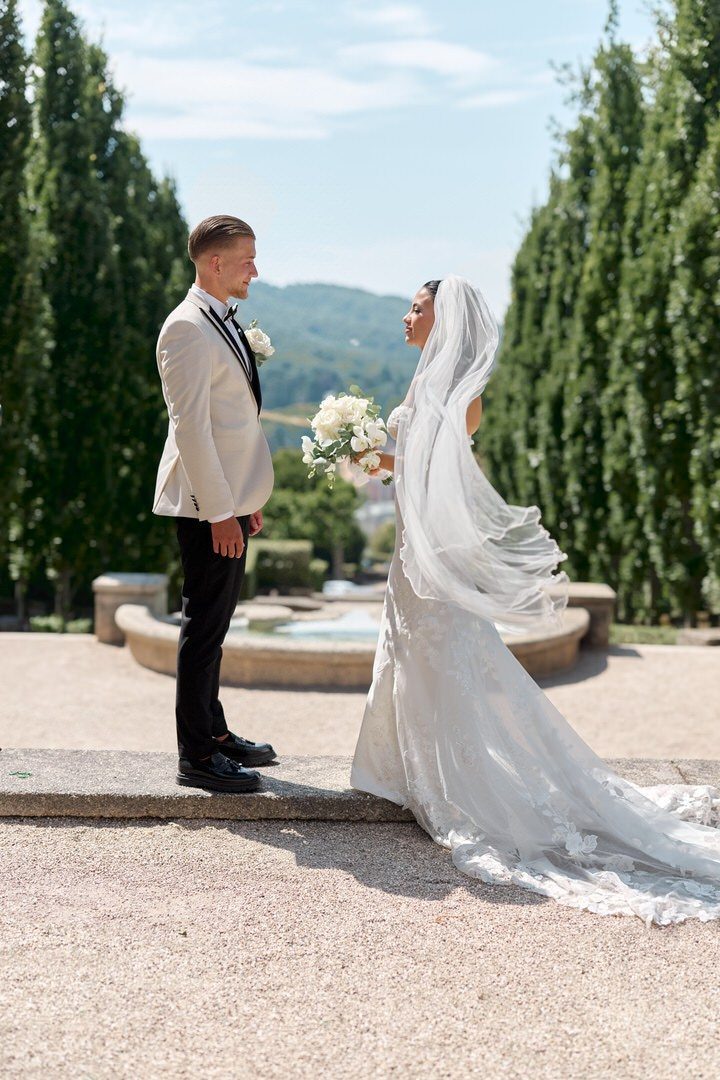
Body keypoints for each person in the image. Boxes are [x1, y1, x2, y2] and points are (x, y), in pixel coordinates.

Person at [351, 274, 720, 925]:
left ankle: (467, 795)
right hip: (411, 558)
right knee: (416, 666)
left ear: (448, 319)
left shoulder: (462, 397)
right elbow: (409, 466)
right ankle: (415, 777)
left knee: (452, 670)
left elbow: (438, 478)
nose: (406, 315)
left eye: (417, 307)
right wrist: (358, 455)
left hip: (431, 563)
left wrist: (376, 457)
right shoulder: (421, 385)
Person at [154, 215, 277, 793]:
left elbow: (235, 420)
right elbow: (192, 431)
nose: (256, 268)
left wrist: (244, 498)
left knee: (217, 625)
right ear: (214, 263)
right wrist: (220, 512)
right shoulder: (185, 328)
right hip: (206, 506)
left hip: (228, 498)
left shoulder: (220, 319)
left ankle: (218, 735)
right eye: (247, 258)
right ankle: (197, 758)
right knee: (203, 628)